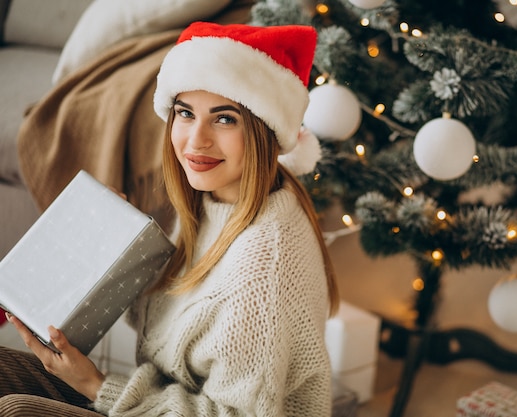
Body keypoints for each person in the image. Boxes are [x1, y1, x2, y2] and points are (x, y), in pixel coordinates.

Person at [1, 22, 339, 416]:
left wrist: (95, 385)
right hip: (157, 402)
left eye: (224, 118)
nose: (196, 140)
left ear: (265, 130)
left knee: (17, 411)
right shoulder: (215, 200)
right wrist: (110, 243)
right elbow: (173, 320)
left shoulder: (264, 268)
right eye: (185, 113)